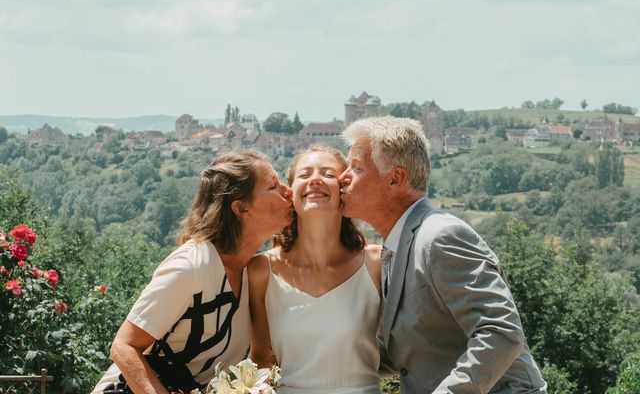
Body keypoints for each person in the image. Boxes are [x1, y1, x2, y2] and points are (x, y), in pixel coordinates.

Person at [339, 117, 547, 394]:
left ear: (395, 178)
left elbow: (501, 333)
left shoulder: (441, 236)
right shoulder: (397, 246)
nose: (342, 178)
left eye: (356, 168)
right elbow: (411, 356)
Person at [92, 151, 293, 394]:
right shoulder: (191, 266)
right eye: (273, 185)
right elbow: (123, 346)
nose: (288, 191)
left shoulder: (252, 273)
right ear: (241, 208)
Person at [249, 145, 382, 394]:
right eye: (305, 174)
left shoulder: (375, 264)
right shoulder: (260, 271)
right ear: (290, 193)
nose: (315, 179)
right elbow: (261, 362)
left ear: (345, 191)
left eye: (329, 174)